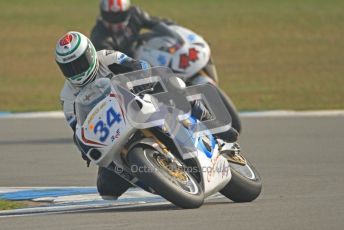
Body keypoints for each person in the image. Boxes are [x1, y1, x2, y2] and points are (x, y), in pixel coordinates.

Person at [90, 0, 174, 56]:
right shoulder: (99, 37)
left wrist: (173, 27)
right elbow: (112, 63)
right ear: (103, 13)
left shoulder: (135, 14)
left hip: (141, 54)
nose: (115, 20)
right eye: (110, 16)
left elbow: (155, 22)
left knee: (151, 37)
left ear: (128, 12)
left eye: (120, 15)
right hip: (124, 72)